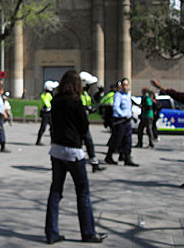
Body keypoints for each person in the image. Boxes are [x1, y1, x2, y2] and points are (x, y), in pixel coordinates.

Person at [45, 70, 107, 244]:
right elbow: (84, 126)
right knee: (82, 192)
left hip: (57, 149)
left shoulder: (55, 101)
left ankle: (51, 233)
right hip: (73, 151)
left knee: (55, 192)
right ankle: (87, 232)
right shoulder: (75, 102)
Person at [105, 78, 139, 166]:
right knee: (117, 139)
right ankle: (109, 156)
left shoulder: (129, 95)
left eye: (127, 85)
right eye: (123, 85)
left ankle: (127, 157)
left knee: (128, 140)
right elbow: (116, 107)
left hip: (127, 121)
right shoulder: (118, 95)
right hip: (120, 120)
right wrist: (123, 114)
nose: (125, 87)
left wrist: (130, 115)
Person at [81, 85, 106, 173]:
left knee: (89, 143)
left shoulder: (85, 94)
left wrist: (99, 93)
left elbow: (93, 101)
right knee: (82, 143)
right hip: (79, 122)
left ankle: (94, 163)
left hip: (84, 121)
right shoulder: (79, 94)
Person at [36, 81, 53, 146]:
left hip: (49, 112)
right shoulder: (45, 95)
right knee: (43, 127)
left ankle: (52, 141)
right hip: (46, 113)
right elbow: (47, 103)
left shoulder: (48, 95)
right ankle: (38, 140)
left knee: (52, 127)